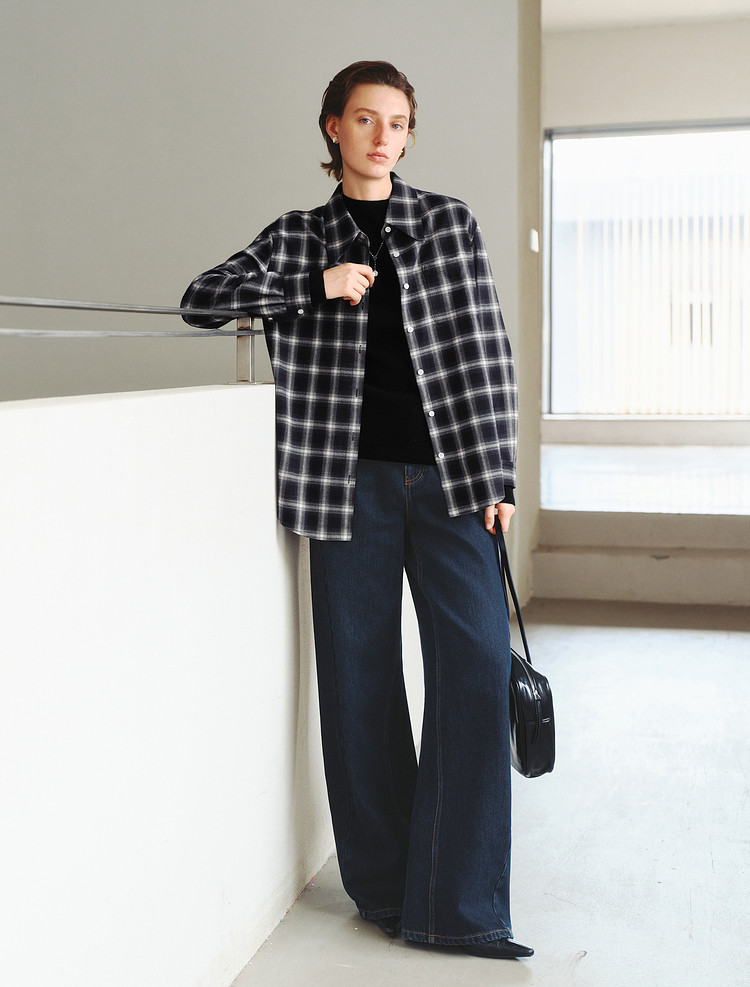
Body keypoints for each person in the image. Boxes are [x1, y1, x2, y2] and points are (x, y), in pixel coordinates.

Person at [181, 60, 532, 961]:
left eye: (398, 121)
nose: (383, 136)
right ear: (333, 128)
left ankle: (459, 905)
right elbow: (200, 300)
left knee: (475, 670)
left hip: (453, 481)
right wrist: (315, 287)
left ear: (409, 135)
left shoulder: (447, 223)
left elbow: (487, 351)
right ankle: (384, 890)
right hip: (346, 489)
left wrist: (498, 478)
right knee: (360, 684)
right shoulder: (298, 236)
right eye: (366, 119)